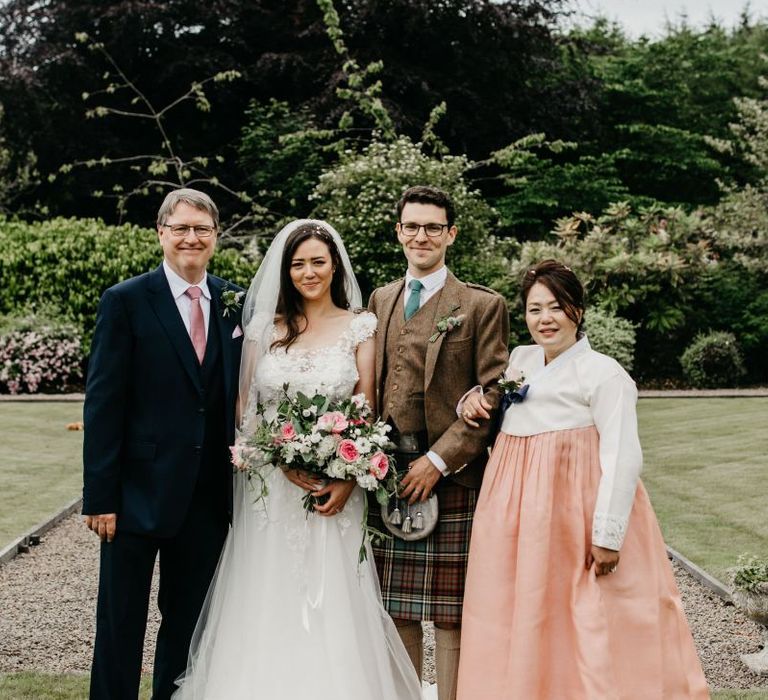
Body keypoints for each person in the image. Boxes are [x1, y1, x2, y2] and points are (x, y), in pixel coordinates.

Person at [172, 220, 423, 700]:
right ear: (286, 271)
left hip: (335, 489)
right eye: (298, 263)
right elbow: (245, 407)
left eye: (318, 262)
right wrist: (279, 456)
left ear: (335, 267)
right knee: (268, 592)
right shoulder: (265, 328)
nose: (309, 272)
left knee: (334, 597)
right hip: (272, 490)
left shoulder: (359, 326)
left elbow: (365, 407)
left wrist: (347, 476)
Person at [456, 260, 710, 699]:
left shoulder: (604, 374)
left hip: (573, 513)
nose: (545, 319)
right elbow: (497, 410)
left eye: (556, 307)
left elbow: (623, 456)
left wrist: (608, 535)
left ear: (577, 309)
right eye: (535, 310)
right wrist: (471, 401)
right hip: (514, 518)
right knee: (519, 611)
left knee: (586, 615)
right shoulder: (520, 361)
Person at [82, 188, 244, 699]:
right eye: (181, 228)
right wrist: (101, 496)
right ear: (161, 233)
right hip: (134, 493)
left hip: (206, 496)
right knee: (120, 621)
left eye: (201, 228)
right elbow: (103, 403)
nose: (191, 237)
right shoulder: (126, 301)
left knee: (188, 622)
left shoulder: (234, 302)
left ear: (216, 236)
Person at [368, 186, 510, 700]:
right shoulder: (380, 299)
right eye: (411, 226)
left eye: (432, 227)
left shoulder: (480, 304)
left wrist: (438, 460)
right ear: (398, 232)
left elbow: (494, 393)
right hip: (385, 474)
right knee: (395, 607)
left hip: (451, 474)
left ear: (451, 233)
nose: (421, 236)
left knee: (451, 615)